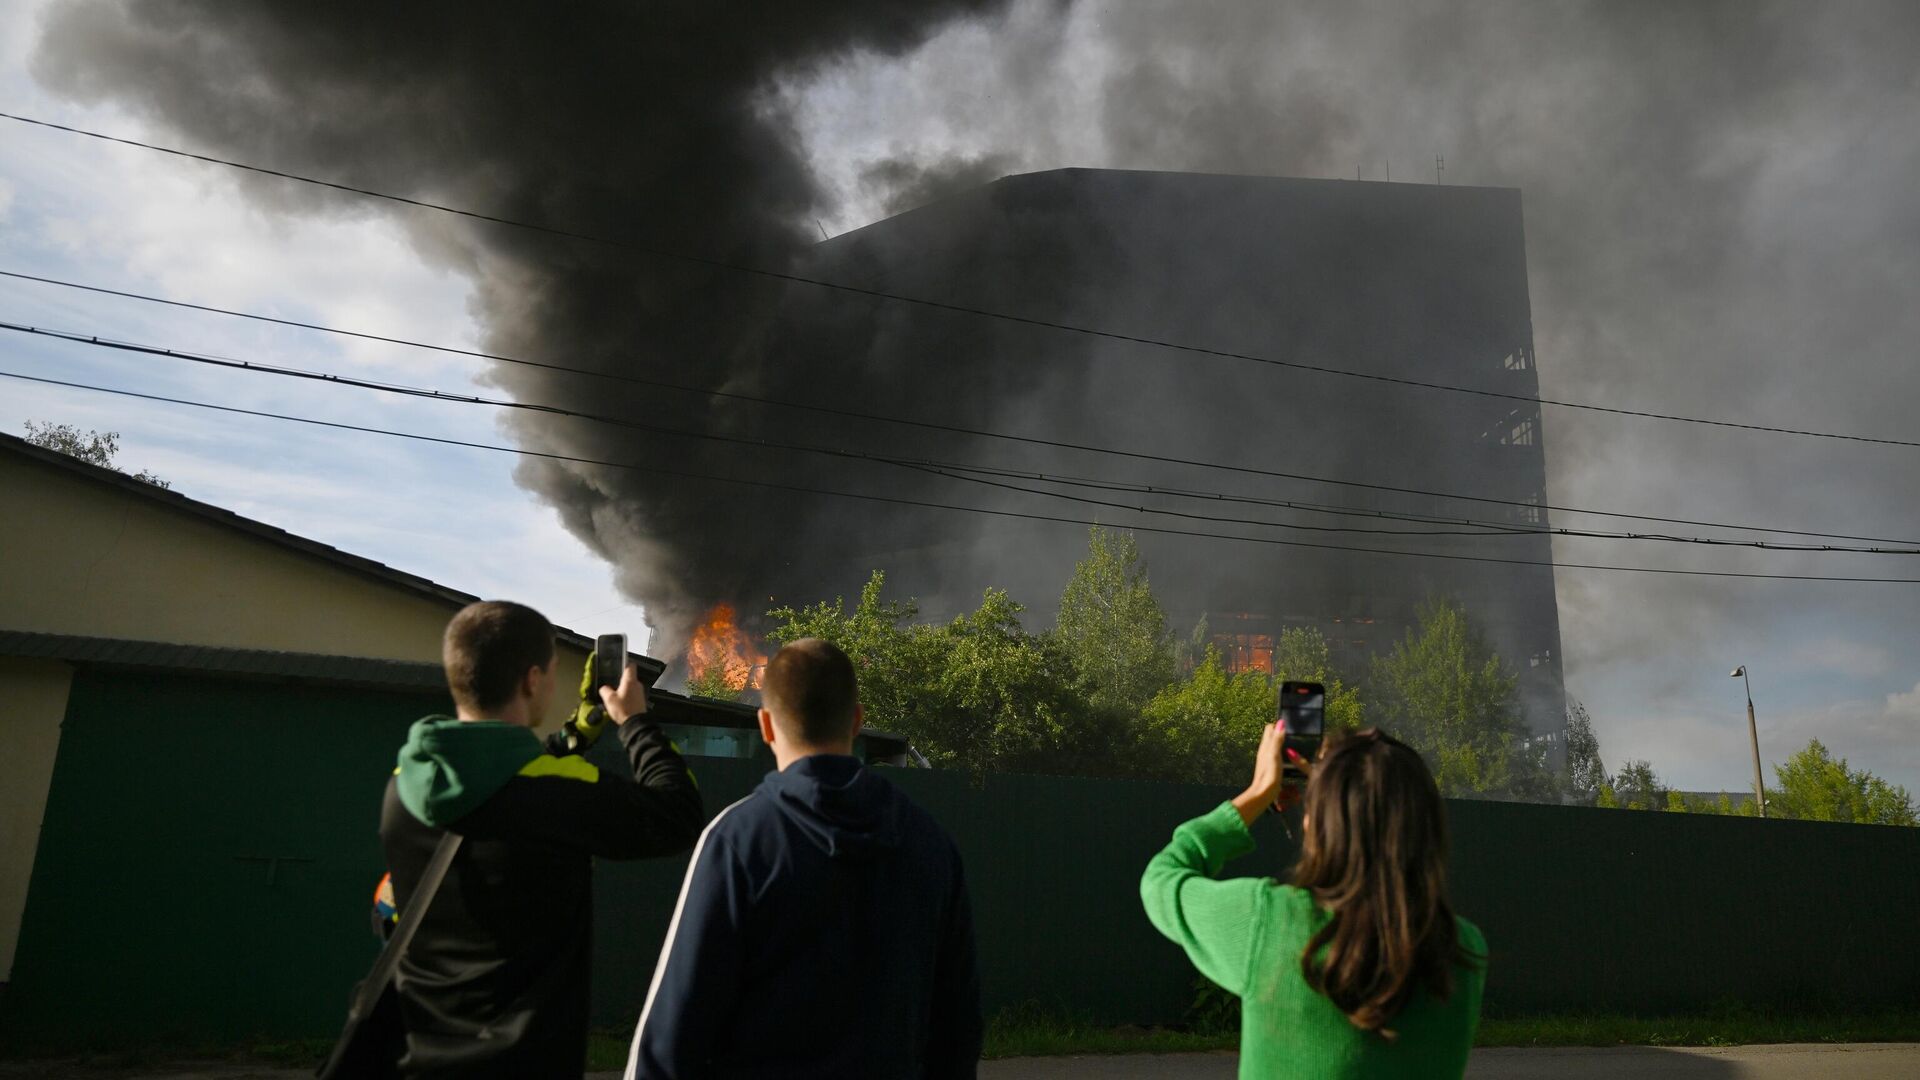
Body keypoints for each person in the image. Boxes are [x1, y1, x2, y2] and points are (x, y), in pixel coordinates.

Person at [626, 637, 981, 1079]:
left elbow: (671, 1038)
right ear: (856, 719)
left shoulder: (738, 841)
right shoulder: (933, 847)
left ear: (766, 726)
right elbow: (958, 1031)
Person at [379, 600, 705, 1078]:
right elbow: (676, 814)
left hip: (417, 1059)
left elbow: (505, 787)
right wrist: (635, 722)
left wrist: (577, 732)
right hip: (524, 1063)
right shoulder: (557, 795)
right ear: (532, 680)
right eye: (551, 673)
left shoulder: (402, 785)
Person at [1141, 723, 1486, 1079]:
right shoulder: (1463, 950)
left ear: (1316, 826)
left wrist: (1259, 792)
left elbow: (1161, 880)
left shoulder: (1270, 922)